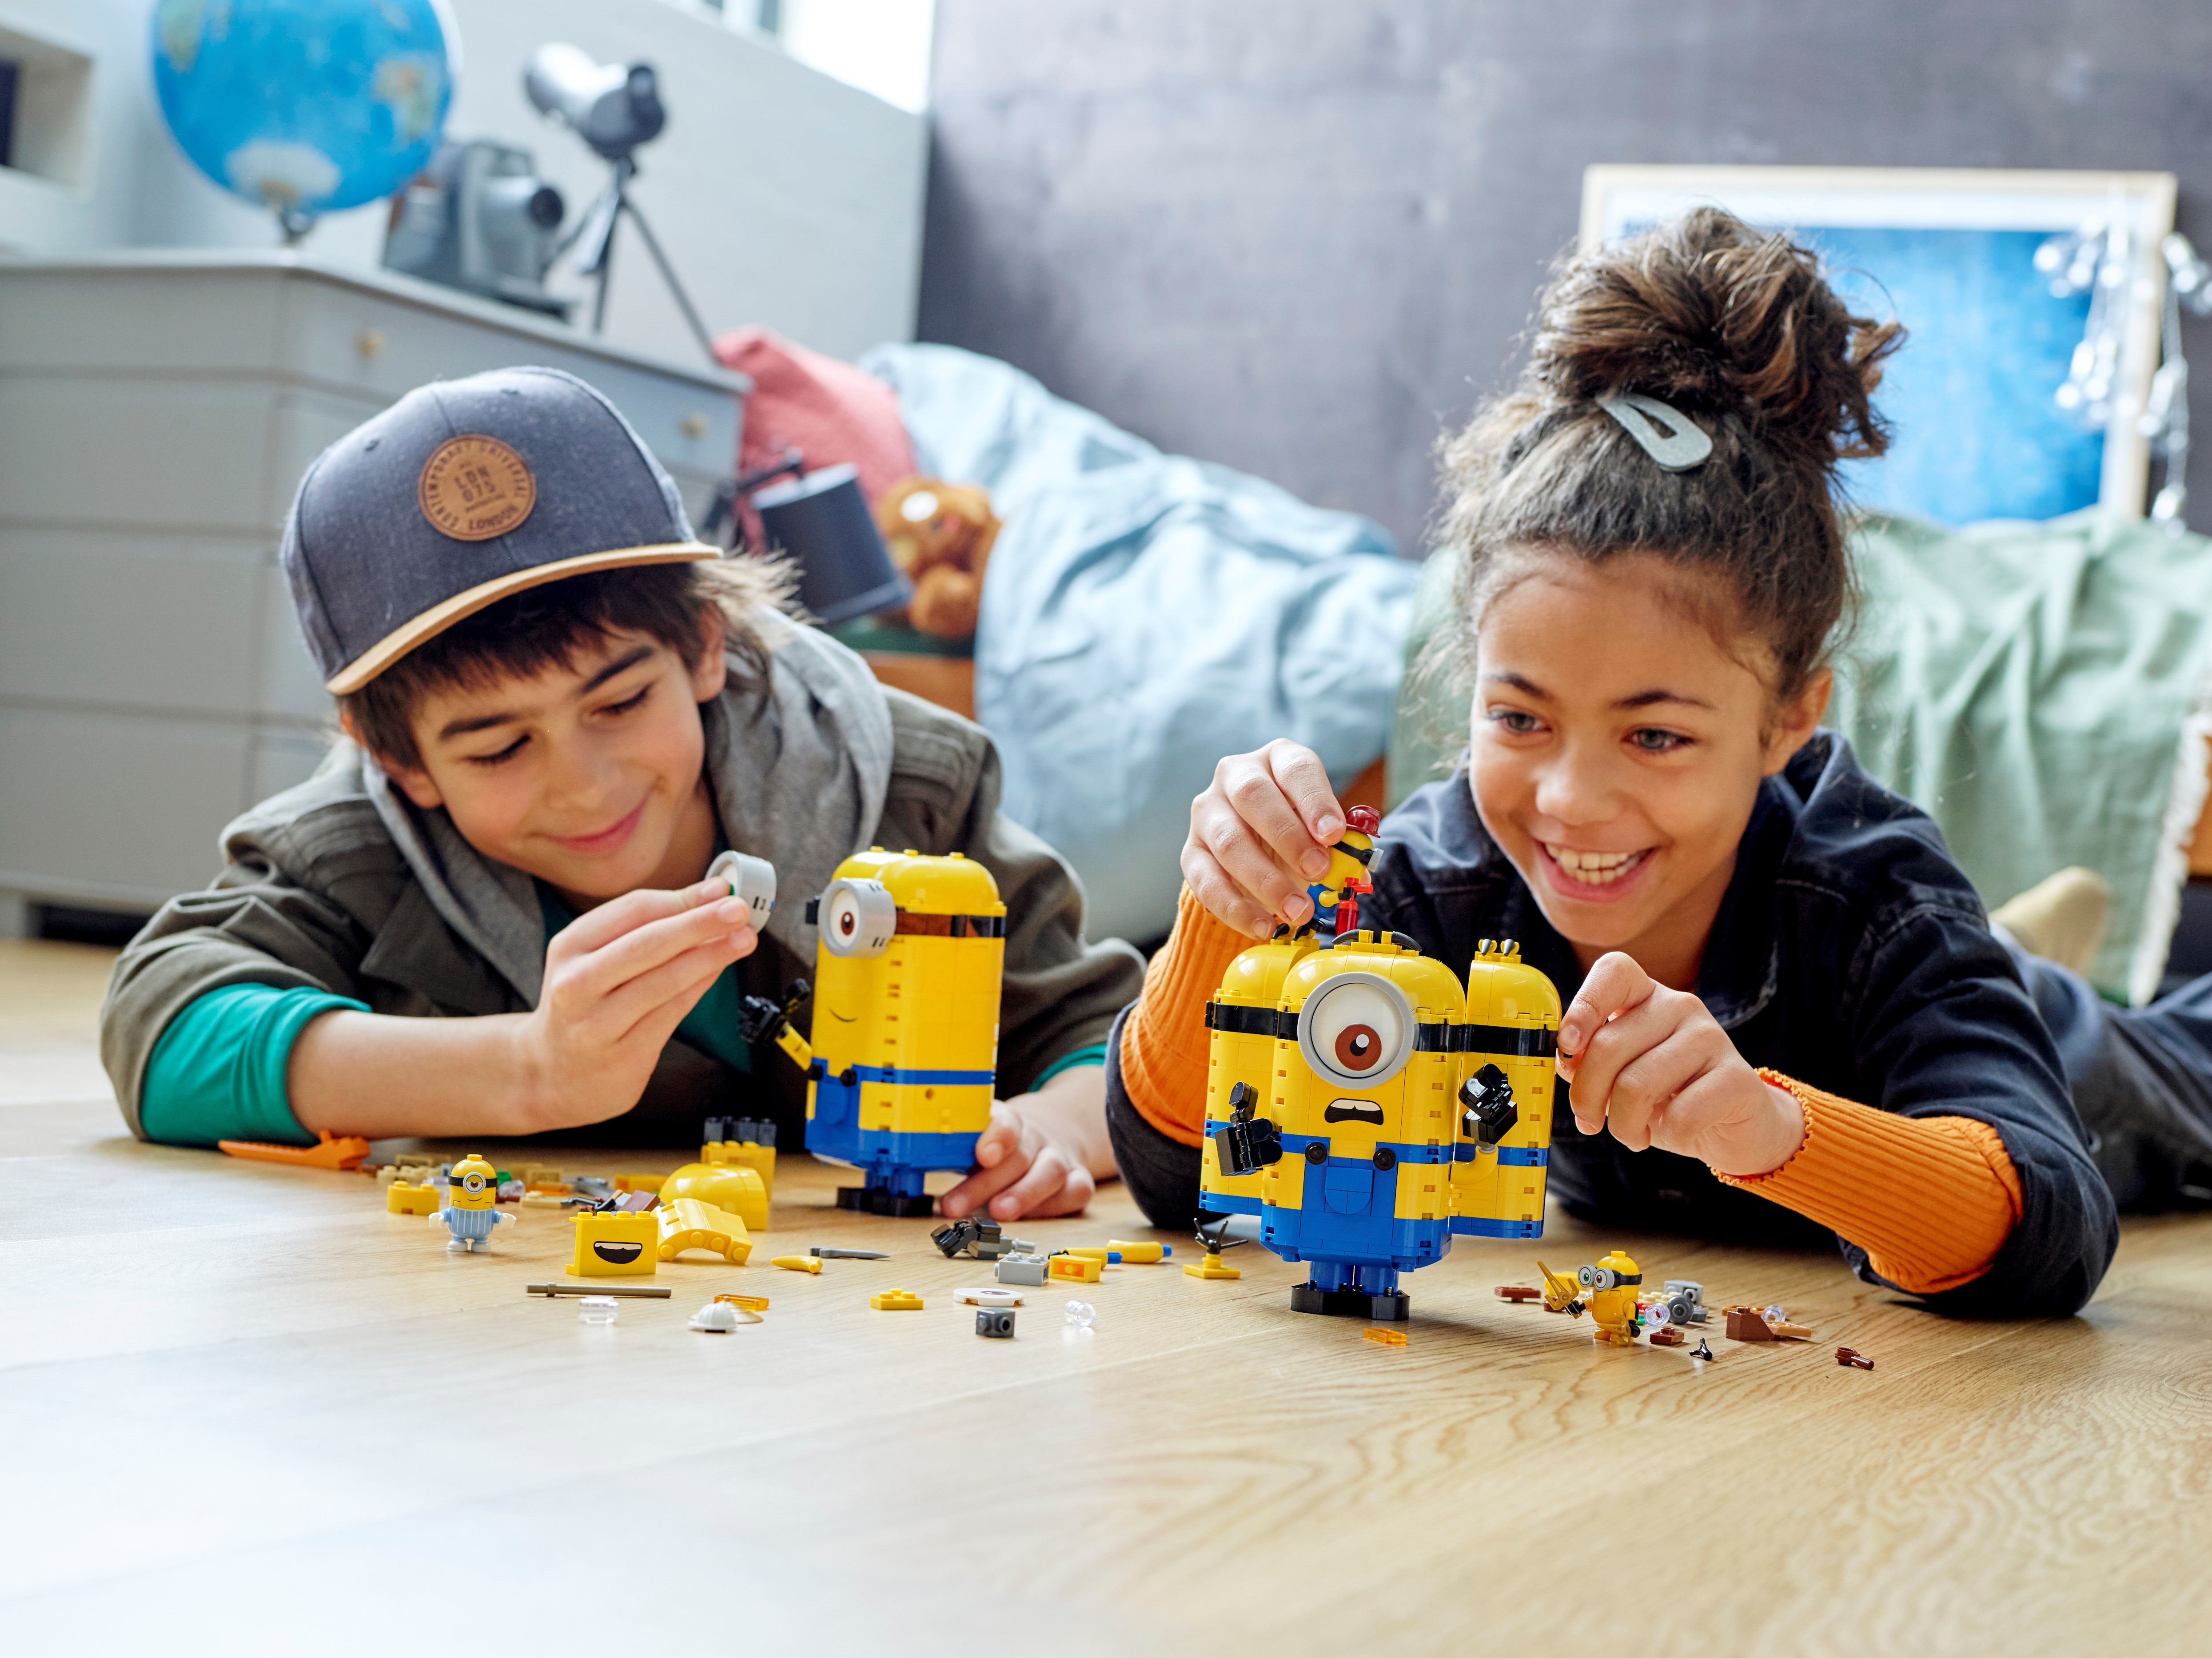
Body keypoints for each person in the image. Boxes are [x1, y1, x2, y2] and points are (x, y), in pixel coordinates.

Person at [1104, 208, 2136, 1317]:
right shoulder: (1429, 887)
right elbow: (1176, 1179)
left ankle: (2026, 966)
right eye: (1520, 719)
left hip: (2041, 1071)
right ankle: (2019, 947)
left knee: (2136, 1062)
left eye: (1655, 736)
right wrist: (1226, 910)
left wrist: (1774, 1130)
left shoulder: (1877, 900)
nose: (1570, 801)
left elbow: (2053, 1232)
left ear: (1790, 719)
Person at [101, 366, 1139, 1220]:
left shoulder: (909, 788)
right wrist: (526, 1069)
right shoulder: (356, 845)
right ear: (400, 762)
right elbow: (165, 1029)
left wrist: (1050, 1130)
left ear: (703, 646)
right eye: (500, 748)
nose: (585, 786)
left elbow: (1105, 1039)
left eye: (620, 702)